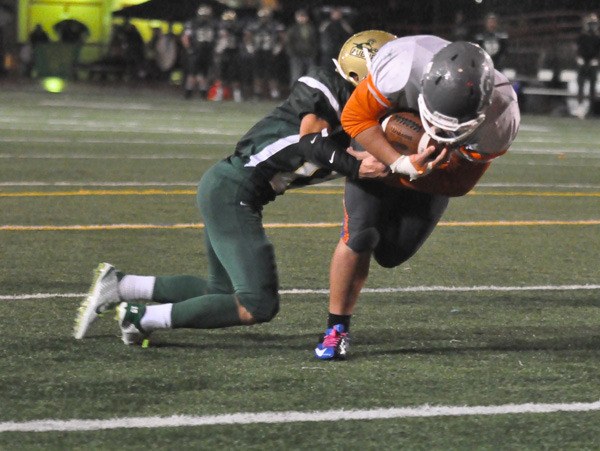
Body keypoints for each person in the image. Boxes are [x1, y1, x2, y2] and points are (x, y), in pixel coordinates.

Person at [73, 30, 396, 345]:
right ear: (363, 73)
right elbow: (312, 143)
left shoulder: (356, 112)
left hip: (232, 188)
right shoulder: (329, 89)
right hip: (234, 190)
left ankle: (121, 285)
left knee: (222, 292)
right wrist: (355, 164)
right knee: (258, 303)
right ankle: (139, 317)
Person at [313, 35, 521, 360]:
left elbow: (459, 183)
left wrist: (415, 171)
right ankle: (336, 327)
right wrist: (397, 163)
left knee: (393, 253)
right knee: (360, 234)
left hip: (436, 169)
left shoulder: (502, 117)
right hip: (384, 147)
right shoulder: (403, 64)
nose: (438, 130)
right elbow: (355, 118)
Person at [244, 8, 286, 99]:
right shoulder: (254, 25)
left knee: (272, 73)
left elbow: (282, 37)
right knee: (257, 73)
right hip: (258, 51)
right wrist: (249, 47)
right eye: (262, 17)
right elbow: (247, 36)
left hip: (270, 51)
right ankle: (257, 92)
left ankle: (274, 92)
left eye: (266, 17)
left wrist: (278, 48)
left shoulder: (275, 25)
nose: (264, 19)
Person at [181, 5, 217, 99]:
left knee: (204, 74)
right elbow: (185, 37)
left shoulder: (212, 24)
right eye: (203, 15)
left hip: (207, 52)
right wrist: (189, 48)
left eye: (206, 15)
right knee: (192, 73)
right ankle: (188, 93)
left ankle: (203, 93)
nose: (205, 17)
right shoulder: (192, 24)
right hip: (196, 52)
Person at [285, 8, 318, 87]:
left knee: (311, 76)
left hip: (309, 55)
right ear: (296, 17)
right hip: (296, 56)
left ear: (307, 17)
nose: (302, 18)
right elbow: (288, 43)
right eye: (300, 16)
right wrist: (292, 53)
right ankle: (295, 93)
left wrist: (314, 52)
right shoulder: (292, 29)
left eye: (304, 16)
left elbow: (315, 42)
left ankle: (310, 94)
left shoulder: (312, 28)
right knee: (296, 76)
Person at [575, 13, 600, 108]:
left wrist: (596, 60)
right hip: (582, 62)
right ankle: (579, 106)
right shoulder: (582, 36)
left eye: (594, 23)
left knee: (592, 86)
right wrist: (579, 58)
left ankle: (591, 107)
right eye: (591, 23)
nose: (592, 26)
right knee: (580, 84)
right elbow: (577, 49)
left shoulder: (598, 37)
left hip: (593, 63)